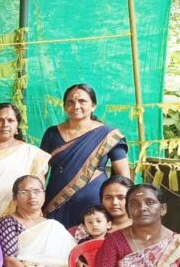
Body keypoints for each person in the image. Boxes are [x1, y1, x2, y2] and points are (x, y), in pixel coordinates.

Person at [40, 83, 131, 228]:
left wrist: (125, 207)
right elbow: (41, 171)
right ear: (64, 106)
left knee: (93, 239)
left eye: (82, 101)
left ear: (93, 106)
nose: (76, 106)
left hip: (94, 204)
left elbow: (124, 176)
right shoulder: (52, 133)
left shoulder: (108, 135)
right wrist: (37, 201)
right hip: (55, 202)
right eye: (70, 102)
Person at [71, 175, 132, 241]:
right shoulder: (84, 229)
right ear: (101, 200)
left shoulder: (138, 228)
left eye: (121, 197)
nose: (114, 202)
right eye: (108, 198)